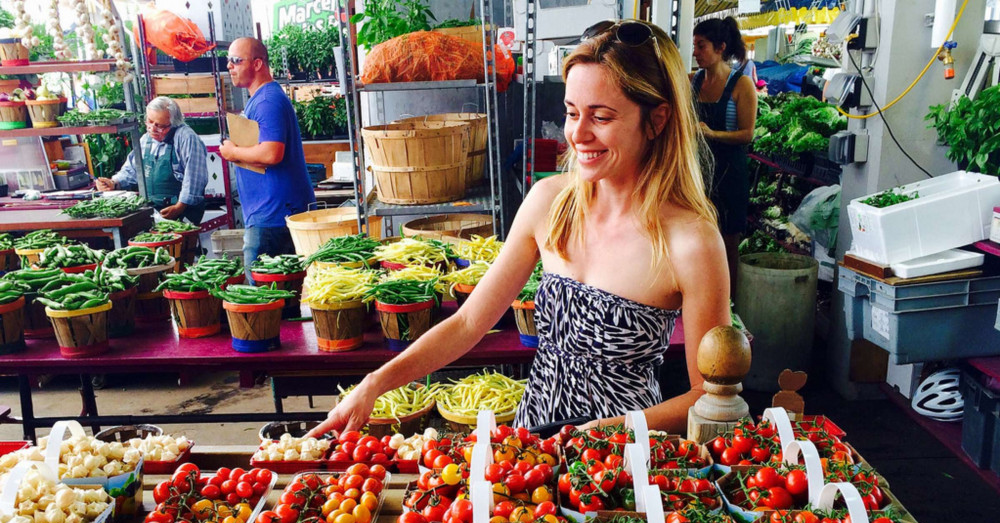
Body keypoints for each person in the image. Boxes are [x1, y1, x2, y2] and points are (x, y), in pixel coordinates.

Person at [309, 19, 730, 437]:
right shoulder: (550, 202)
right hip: (531, 445)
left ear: (657, 120)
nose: (577, 134)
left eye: (601, 117)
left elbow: (708, 395)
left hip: (617, 460)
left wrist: (599, 432)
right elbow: (470, 321)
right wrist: (373, 385)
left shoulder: (690, 240)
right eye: (571, 113)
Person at [219, 37, 314, 273]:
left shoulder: (267, 101)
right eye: (228, 61)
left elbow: (272, 153)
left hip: (273, 217)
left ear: (258, 64)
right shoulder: (262, 98)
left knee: (265, 297)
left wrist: (232, 152)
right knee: (280, 293)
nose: (229, 66)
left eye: (236, 60)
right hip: (271, 213)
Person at [692, 16, 758, 291]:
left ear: (720, 48)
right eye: (694, 46)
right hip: (699, 171)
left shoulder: (741, 85)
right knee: (699, 237)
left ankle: (729, 304)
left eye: (701, 46)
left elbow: (747, 134)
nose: (695, 52)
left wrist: (712, 134)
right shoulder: (694, 81)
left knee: (728, 241)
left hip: (730, 172)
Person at [95, 97, 209, 224]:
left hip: (182, 212)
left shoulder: (186, 138)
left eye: (160, 126)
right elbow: (132, 170)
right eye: (149, 122)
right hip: (152, 211)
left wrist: (179, 206)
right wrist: (113, 183)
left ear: (173, 124)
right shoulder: (146, 140)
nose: (152, 129)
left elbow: (195, 178)